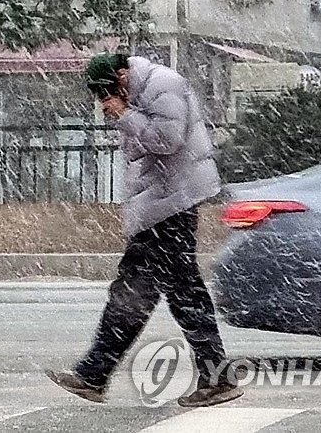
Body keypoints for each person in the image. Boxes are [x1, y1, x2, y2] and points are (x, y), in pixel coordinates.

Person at [46, 52, 243, 408]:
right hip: (161, 205)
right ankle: (98, 373)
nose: (108, 99)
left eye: (110, 90)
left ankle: (96, 373)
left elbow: (167, 141)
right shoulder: (139, 92)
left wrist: (125, 115)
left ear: (123, 73)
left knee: (157, 293)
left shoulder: (162, 85)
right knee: (164, 292)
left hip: (172, 204)